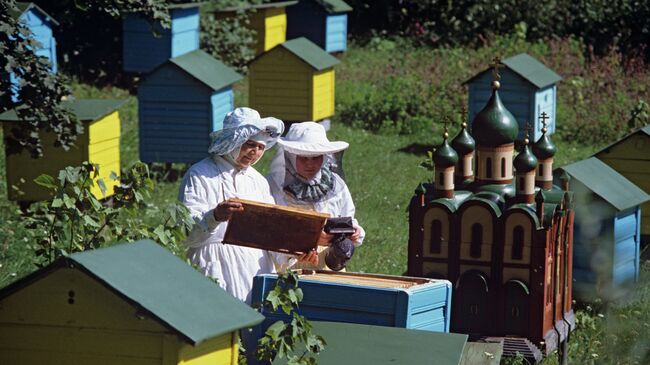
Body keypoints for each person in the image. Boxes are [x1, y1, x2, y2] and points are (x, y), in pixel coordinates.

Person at [179, 107, 316, 304]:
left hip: (256, 268)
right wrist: (215, 216)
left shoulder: (257, 181)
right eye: (249, 144)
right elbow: (186, 233)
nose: (255, 152)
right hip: (215, 264)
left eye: (260, 147)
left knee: (256, 325)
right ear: (233, 141)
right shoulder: (200, 174)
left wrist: (293, 252)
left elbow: (270, 232)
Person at [267, 122, 365, 270]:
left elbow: (348, 217)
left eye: (316, 157)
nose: (310, 164)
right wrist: (304, 241)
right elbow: (267, 230)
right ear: (291, 156)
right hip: (289, 269)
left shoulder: (335, 184)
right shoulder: (273, 186)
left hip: (329, 265)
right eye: (304, 158)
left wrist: (354, 231)